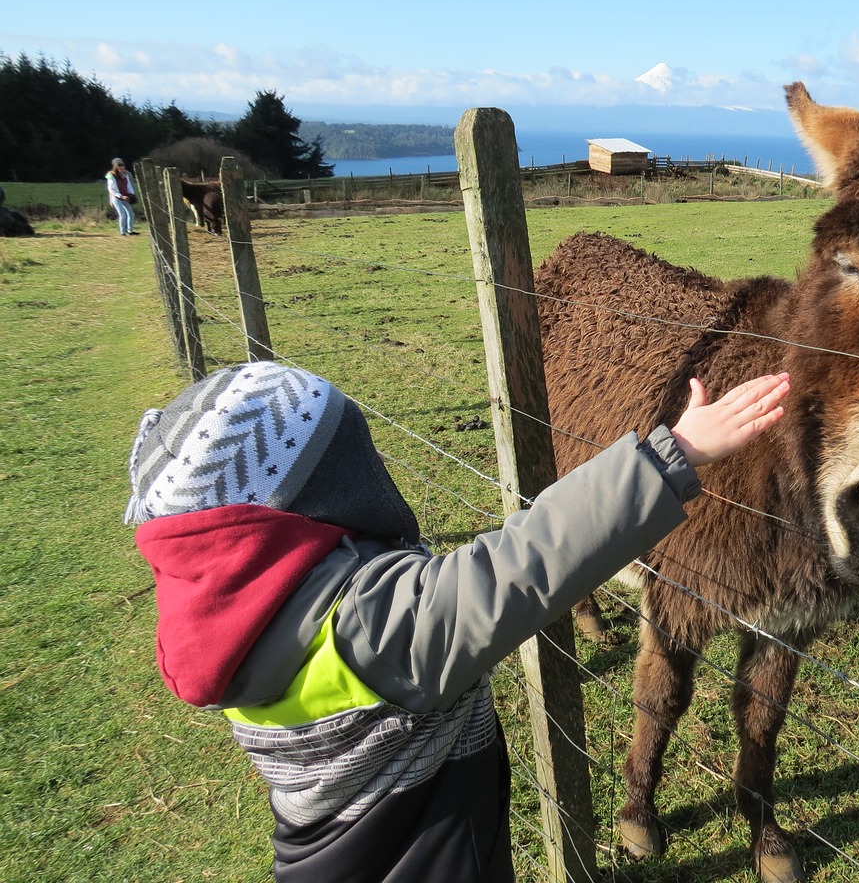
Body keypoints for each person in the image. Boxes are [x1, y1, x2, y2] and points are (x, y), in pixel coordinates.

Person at [124, 360, 790, 882]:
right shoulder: (374, 629)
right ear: (319, 494)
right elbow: (526, 563)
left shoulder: (231, 618)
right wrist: (671, 455)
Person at [106, 157, 139, 236]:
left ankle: (130, 230)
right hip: (116, 197)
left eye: (123, 169)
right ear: (116, 168)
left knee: (131, 213)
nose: (122, 170)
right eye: (120, 169)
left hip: (125, 196)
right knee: (122, 214)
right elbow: (111, 189)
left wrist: (131, 194)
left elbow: (129, 185)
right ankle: (122, 232)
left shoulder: (125, 174)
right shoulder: (110, 175)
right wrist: (120, 196)